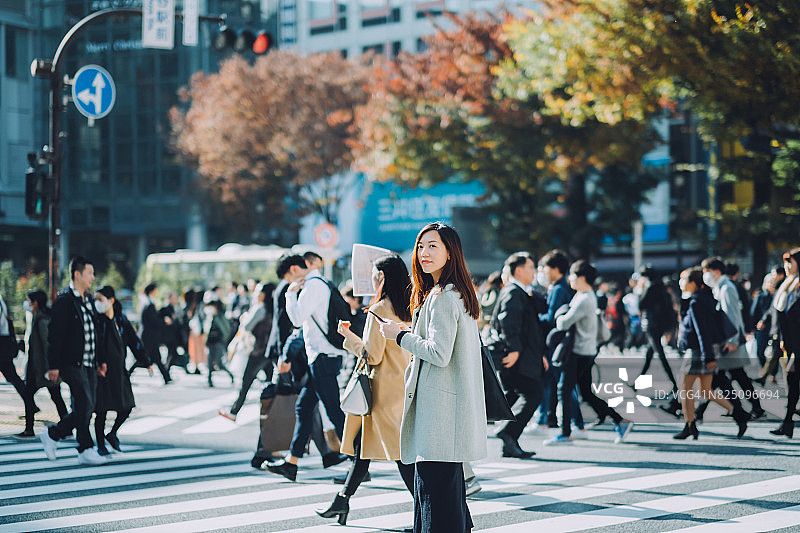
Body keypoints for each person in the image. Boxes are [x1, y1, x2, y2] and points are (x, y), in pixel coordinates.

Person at [378, 222, 486, 533]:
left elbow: (438, 353)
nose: (424, 253)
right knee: (445, 500)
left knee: (434, 502)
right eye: (421, 246)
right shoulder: (455, 293)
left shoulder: (443, 296)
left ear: (451, 253)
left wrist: (399, 335)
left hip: (439, 416)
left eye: (433, 246)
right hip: (447, 415)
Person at [316, 254, 416, 525]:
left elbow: (372, 356)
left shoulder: (380, 309)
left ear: (381, 276)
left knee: (399, 455)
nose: (371, 279)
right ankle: (342, 500)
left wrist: (349, 339)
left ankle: (425, 513)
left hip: (381, 390)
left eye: (374, 274)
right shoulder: (409, 306)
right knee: (363, 448)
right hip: (402, 386)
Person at [265, 252, 350, 481]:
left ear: (293, 269)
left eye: (287, 278)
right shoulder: (319, 283)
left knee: (334, 411)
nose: (288, 282)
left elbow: (296, 319)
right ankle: (291, 463)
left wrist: (290, 295)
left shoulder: (313, 285)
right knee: (304, 407)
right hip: (321, 357)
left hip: (323, 356)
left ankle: (358, 466)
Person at [545, 260, 634, 445]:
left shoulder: (585, 299)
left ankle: (565, 433)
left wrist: (560, 314)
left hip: (578, 352)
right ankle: (621, 420)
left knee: (564, 390)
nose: (570, 278)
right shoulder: (584, 295)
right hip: (585, 351)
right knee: (586, 393)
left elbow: (563, 323)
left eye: (573, 275)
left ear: (582, 277)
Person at [39, 256, 108, 466]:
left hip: (89, 363)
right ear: (77, 274)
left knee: (86, 406)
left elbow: (95, 332)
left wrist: (100, 360)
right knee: (85, 405)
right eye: (90, 273)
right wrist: (53, 365)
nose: (93, 278)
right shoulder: (65, 301)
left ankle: (58, 437)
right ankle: (82, 446)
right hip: (72, 363)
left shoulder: (87, 300)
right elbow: (55, 335)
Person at [674, 268, 749, 439]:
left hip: (698, 351)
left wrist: (707, 356)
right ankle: (738, 413)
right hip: (707, 349)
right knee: (706, 390)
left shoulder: (695, 302)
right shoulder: (704, 298)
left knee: (686, 389)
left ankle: (690, 425)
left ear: (693, 283)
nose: (681, 283)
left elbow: (702, 331)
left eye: (683, 279)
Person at [490, 252, 548, 458]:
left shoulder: (519, 291)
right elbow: (507, 322)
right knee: (533, 394)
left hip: (524, 355)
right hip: (516, 357)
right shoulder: (514, 292)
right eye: (531, 267)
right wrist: (513, 349)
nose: (534, 272)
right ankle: (507, 432)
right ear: (519, 270)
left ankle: (509, 443)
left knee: (514, 395)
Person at [695, 257, 763, 421]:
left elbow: (732, 316)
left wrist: (733, 342)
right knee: (735, 377)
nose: (706, 276)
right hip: (728, 342)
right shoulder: (721, 287)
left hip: (729, 342)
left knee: (724, 378)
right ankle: (748, 408)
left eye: (707, 272)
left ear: (717, 271)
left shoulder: (726, 289)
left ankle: (702, 412)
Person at [93, 285, 150, 455]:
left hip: (119, 369)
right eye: (95, 299)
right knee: (101, 410)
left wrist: (145, 360)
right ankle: (100, 444)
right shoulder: (96, 319)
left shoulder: (120, 319)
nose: (97, 303)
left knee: (127, 406)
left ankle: (112, 433)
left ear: (110, 300)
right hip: (101, 370)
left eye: (100, 299)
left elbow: (134, 340)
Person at [219, 282, 275, 421]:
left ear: (263, 295)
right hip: (268, 350)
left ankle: (234, 412)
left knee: (246, 382)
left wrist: (244, 318)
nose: (255, 295)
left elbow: (247, 326)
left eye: (257, 292)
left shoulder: (260, 309)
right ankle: (272, 412)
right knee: (270, 382)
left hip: (257, 350)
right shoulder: (273, 308)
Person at [16, 290, 68, 438]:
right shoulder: (38, 318)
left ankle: (29, 429)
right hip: (38, 367)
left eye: (29, 301)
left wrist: (51, 367)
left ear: (36, 302)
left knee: (35, 395)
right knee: (54, 396)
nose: (27, 304)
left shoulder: (42, 320)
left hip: (42, 368)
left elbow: (47, 345)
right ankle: (66, 426)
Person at [636, 265, 681, 417]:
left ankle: (674, 384)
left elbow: (641, 304)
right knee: (650, 353)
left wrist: (640, 290)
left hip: (652, 324)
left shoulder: (649, 286)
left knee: (660, 354)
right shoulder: (660, 285)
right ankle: (638, 382)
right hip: (660, 324)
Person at [771, 248, 800, 438]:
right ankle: (788, 423)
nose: (787, 266)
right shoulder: (788, 284)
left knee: (792, 378)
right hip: (793, 343)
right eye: (786, 262)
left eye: (790, 262)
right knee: (792, 379)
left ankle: (788, 422)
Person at [129, 283, 171, 384]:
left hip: (149, 335)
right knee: (141, 357)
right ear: (152, 291)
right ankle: (127, 373)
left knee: (156, 357)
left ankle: (167, 378)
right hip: (149, 336)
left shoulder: (145, 302)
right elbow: (153, 320)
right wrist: (164, 321)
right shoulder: (149, 304)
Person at [0, 292, 25, 405]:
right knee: (12, 377)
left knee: (12, 377)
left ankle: (30, 403)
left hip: (2, 343)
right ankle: (30, 403)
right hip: (3, 342)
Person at [205, 299, 234, 387]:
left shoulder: (221, 317)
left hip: (218, 342)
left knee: (218, 363)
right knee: (209, 362)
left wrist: (223, 340)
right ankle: (209, 381)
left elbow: (227, 330)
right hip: (210, 342)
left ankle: (231, 375)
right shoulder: (209, 317)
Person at [160, 292, 188, 374]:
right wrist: (166, 320)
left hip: (175, 335)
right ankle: (166, 371)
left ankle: (167, 371)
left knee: (172, 353)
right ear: (170, 298)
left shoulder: (175, 308)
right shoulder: (165, 308)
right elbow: (159, 319)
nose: (176, 299)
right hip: (169, 336)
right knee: (172, 353)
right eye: (174, 298)